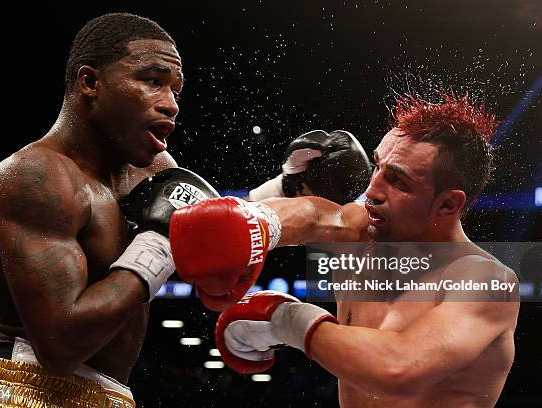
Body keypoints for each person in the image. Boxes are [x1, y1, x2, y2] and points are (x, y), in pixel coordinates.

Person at [214, 93, 520, 407]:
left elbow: (399, 368)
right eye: (376, 167)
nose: (371, 189)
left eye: (397, 180)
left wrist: (285, 320)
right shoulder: (362, 238)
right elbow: (314, 217)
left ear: (447, 203)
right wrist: (277, 196)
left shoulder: (486, 281)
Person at [0, 13, 191, 407]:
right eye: (153, 81)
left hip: (115, 395)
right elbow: (62, 345)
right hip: (32, 392)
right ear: (90, 82)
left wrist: (289, 187)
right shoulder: (35, 176)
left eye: (175, 90)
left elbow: (215, 258)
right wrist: (160, 242)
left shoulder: (156, 172)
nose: (171, 104)